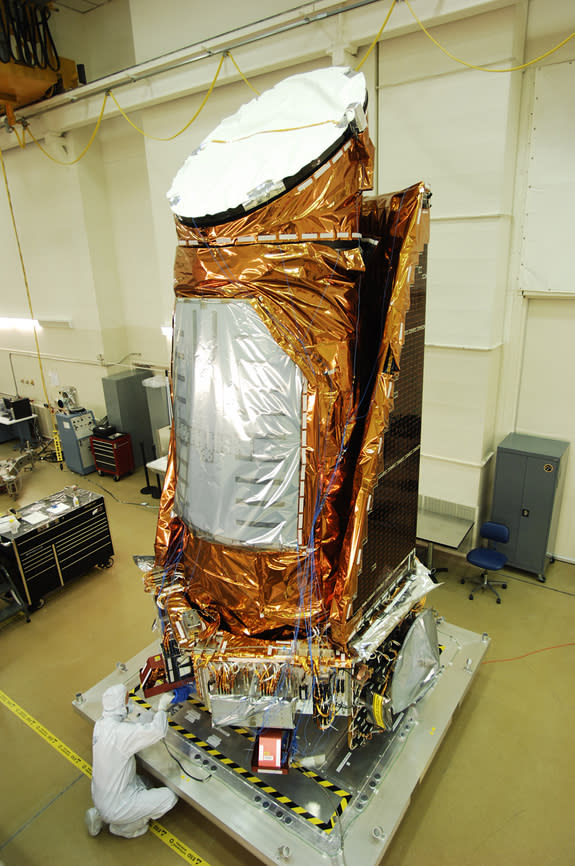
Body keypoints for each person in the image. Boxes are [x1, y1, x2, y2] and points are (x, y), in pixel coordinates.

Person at [85, 683, 178, 838]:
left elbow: (134, 728)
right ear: (120, 705)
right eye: (127, 699)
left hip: (101, 798)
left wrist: (152, 711)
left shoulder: (101, 725)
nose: (130, 703)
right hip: (117, 806)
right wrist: (162, 709)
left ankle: (99, 815)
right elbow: (157, 731)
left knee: (146, 783)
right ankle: (123, 828)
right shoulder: (120, 734)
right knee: (168, 798)